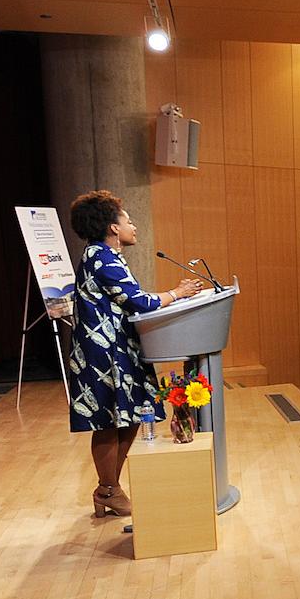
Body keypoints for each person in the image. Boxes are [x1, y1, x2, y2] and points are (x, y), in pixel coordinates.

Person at [65, 190, 202, 518]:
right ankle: (108, 489)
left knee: (128, 419)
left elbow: (131, 299)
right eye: (127, 220)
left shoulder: (106, 256)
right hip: (103, 355)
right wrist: (177, 293)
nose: (133, 225)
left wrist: (175, 297)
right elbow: (139, 301)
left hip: (119, 351)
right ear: (113, 228)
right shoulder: (101, 256)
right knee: (108, 423)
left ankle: (108, 489)